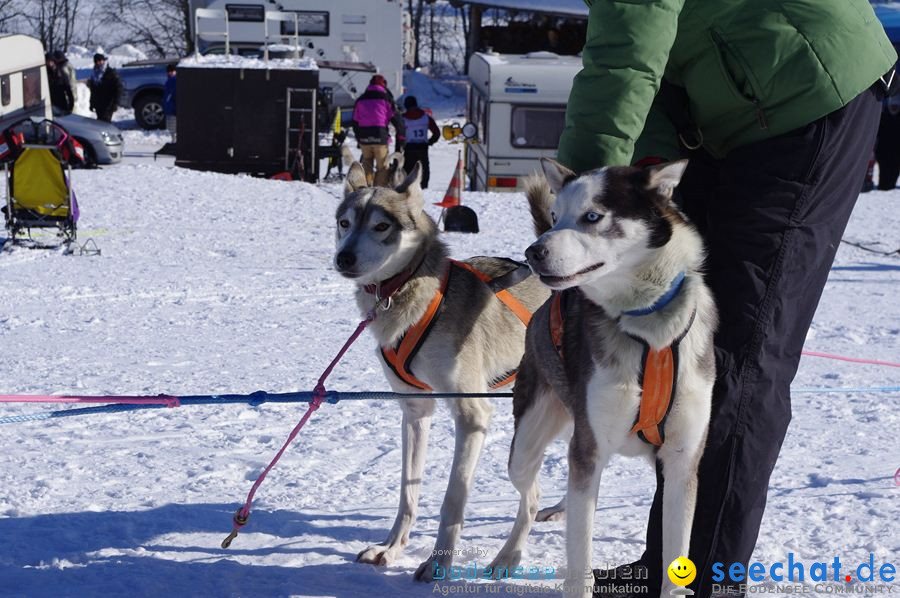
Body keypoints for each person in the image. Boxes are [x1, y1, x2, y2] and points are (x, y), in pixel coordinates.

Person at [555, 2, 896, 597]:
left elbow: (626, 53)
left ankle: (706, 581)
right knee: (676, 335)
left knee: (739, 347)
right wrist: (638, 181)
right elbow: (651, 79)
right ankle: (672, 565)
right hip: (727, 113)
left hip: (804, 89)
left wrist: (583, 220)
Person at [351, 74, 405, 186]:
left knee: (367, 164)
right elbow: (397, 120)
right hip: (380, 137)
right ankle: (379, 191)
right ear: (384, 85)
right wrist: (401, 136)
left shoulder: (360, 100)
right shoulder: (386, 99)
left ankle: (366, 189)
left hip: (364, 138)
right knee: (382, 167)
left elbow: (355, 121)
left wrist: (359, 137)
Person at [400, 96, 440, 188]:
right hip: (422, 147)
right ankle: (424, 187)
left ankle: (407, 188)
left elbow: (400, 135)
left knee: (408, 169)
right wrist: (430, 142)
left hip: (409, 147)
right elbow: (437, 133)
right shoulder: (426, 118)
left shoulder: (403, 118)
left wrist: (400, 147)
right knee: (424, 169)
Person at [87, 53, 122, 123]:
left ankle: (110, 134)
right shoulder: (94, 73)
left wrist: (116, 103)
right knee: (100, 122)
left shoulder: (110, 72)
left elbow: (119, 88)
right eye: (96, 61)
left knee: (105, 123)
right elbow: (93, 90)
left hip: (108, 103)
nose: (98, 63)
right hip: (98, 104)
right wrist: (91, 103)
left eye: (100, 60)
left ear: (103, 61)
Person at [874, 94, 900, 190]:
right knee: (884, 177)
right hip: (884, 151)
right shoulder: (883, 116)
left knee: (892, 173)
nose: (894, 107)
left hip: (895, 153)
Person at [163, 63, 178, 142]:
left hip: (173, 108)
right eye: (169, 71)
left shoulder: (175, 80)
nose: (170, 72)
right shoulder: (169, 80)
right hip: (169, 107)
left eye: (172, 71)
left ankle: (175, 141)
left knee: (174, 127)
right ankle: (173, 140)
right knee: (171, 127)